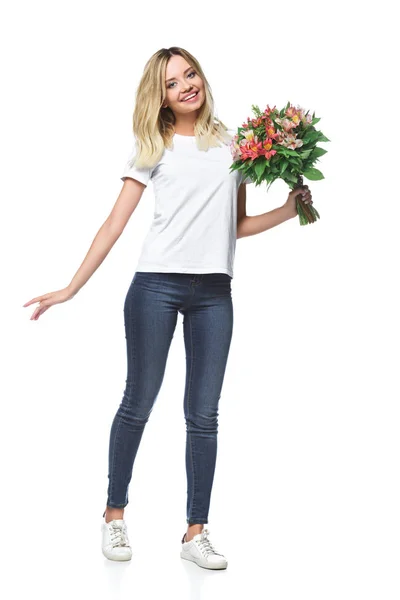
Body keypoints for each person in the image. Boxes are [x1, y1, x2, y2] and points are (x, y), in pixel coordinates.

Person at [23, 46, 313, 570]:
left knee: (203, 416)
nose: (186, 86)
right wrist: (71, 287)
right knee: (139, 401)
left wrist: (289, 211)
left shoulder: (235, 145)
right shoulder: (151, 146)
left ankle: (195, 532)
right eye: (172, 82)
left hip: (213, 294)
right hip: (155, 287)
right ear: (160, 96)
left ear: (201, 78)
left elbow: (234, 227)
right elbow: (114, 225)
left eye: (190, 74)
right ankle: (114, 516)